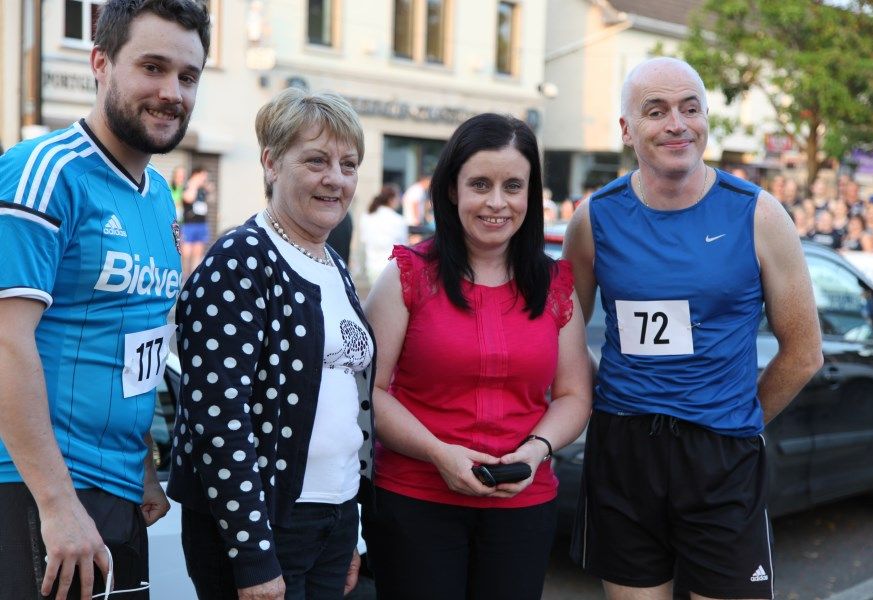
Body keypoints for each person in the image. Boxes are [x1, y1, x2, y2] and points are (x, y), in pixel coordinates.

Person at [564, 57, 823, 600]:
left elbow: (803, 353)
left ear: (706, 118)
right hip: (624, 449)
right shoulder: (593, 219)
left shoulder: (760, 215)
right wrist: (599, 398)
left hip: (722, 452)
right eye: (656, 111)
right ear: (627, 129)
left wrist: (735, 418)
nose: (677, 124)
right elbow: (562, 338)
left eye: (690, 108)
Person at [0, 2, 209, 599]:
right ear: (100, 63)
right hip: (39, 489)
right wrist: (56, 501)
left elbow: (133, 338)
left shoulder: (160, 196)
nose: (171, 93)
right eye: (152, 67)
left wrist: (142, 466)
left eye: (187, 76)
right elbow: (5, 341)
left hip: (118, 492)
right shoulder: (43, 172)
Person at [362, 113, 593, 600]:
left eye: (513, 186)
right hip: (415, 501)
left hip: (522, 506)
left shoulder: (555, 285)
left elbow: (574, 394)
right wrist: (438, 453)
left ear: (531, 194)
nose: (496, 202)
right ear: (452, 190)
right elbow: (369, 392)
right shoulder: (408, 274)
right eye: (480, 184)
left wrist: (536, 451)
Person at [166, 88, 375, 600]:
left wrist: (351, 528)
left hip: (334, 516)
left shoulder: (332, 263)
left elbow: (346, 404)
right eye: (316, 161)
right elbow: (217, 418)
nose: (336, 178)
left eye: (348, 164)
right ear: (271, 163)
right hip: (264, 524)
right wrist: (253, 557)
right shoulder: (240, 260)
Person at [360, 183, 408, 284]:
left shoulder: (366, 216)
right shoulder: (399, 220)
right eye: (398, 197)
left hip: (372, 267)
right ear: (391, 199)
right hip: (392, 269)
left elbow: (364, 240)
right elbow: (403, 247)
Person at [180, 166, 211, 275]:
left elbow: (210, 198)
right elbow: (189, 198)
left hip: (201, 223)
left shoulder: (203, 188)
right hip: (189, 224)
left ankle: (194, 277)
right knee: (186, 254)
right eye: (203, 176)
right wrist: (194, 185)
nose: (204, 179)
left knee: (198, 254)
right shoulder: (188, 185)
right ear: (196, 174)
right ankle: (184, 277)